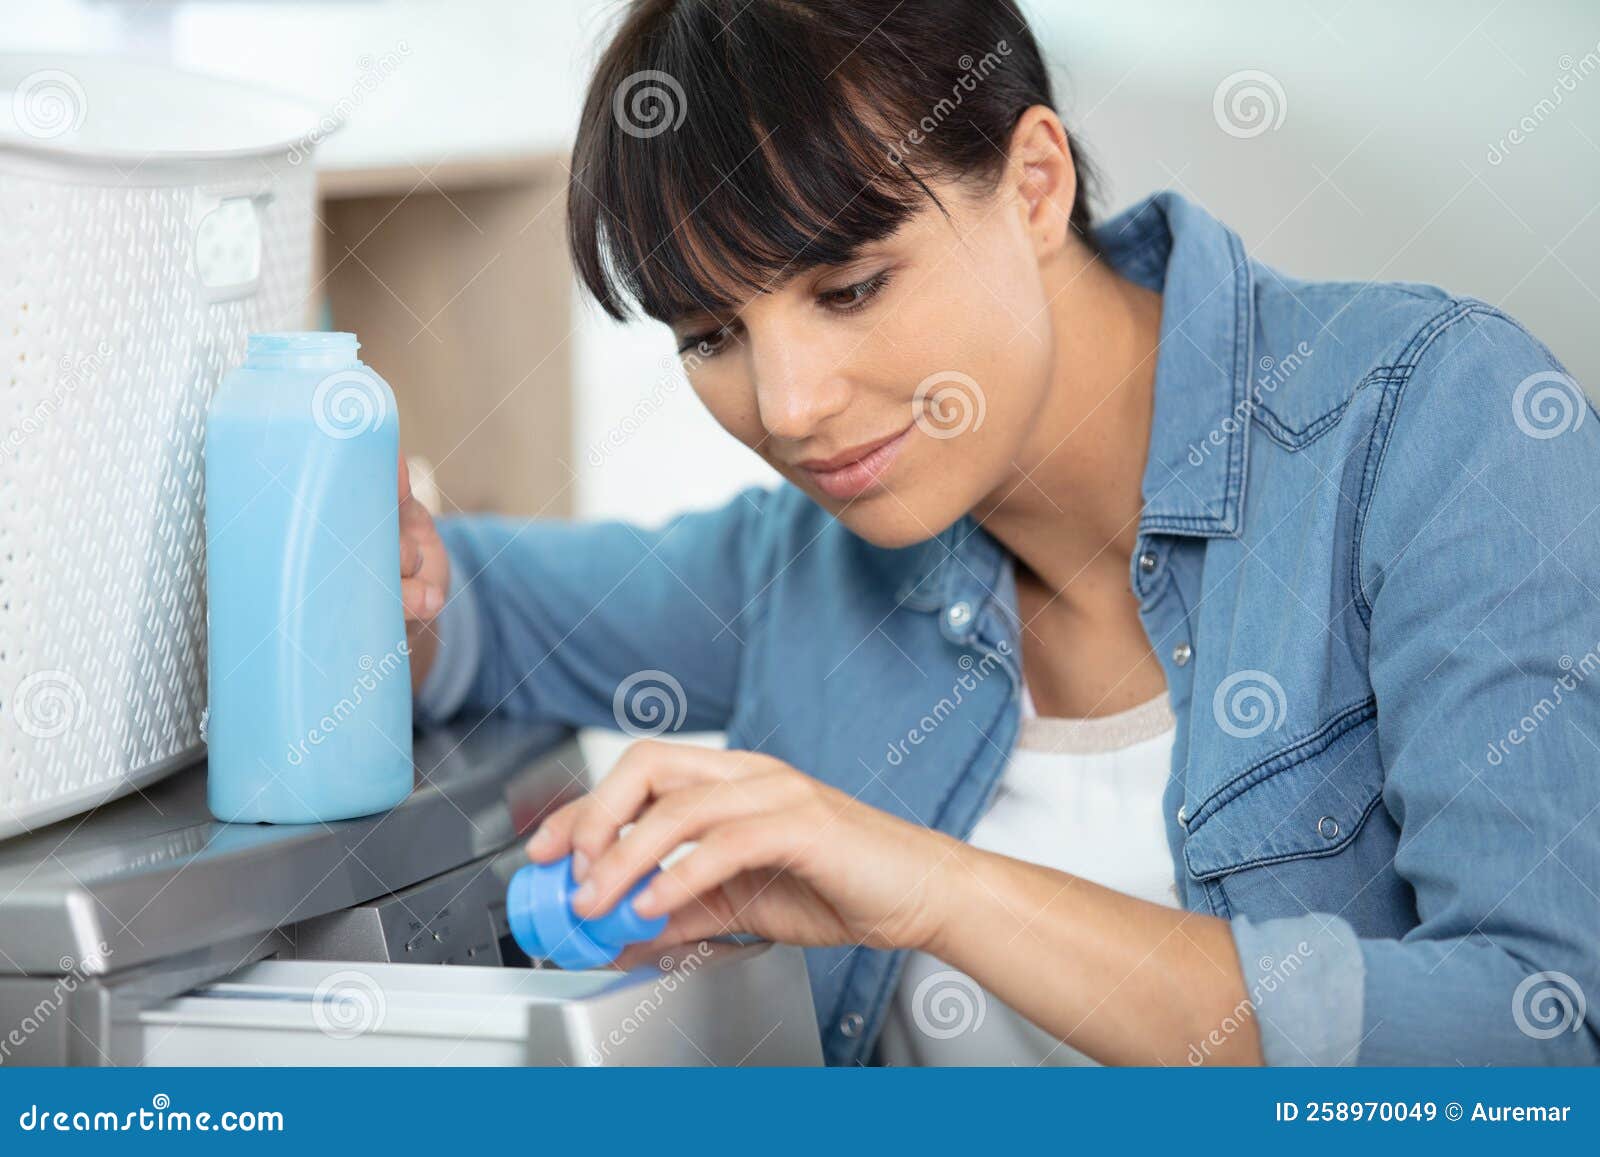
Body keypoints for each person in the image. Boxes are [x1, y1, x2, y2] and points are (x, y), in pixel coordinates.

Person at [398, 0, 1600, 1066]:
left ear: (1035, 184)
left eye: (851, 287)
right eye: (711, 334)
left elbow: (1540, 1032)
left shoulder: (1431, 423)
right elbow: (467, 611)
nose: (788, 406)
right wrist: (365, 563)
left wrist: (930, 886)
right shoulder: (803, 566)